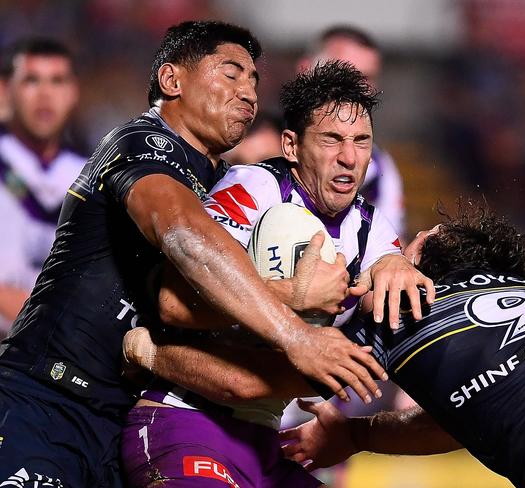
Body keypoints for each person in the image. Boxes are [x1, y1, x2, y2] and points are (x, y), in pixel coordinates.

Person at [0, 21, 385, 487]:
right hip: (44, 401)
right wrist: (294, 329)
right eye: (230, 73)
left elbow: (189, 305)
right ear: (172, 80)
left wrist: (392, 262)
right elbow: (184, 234)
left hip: (116, 418)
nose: (248, 93)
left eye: (253, 81)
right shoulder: (143, 143)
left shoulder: (221, 182)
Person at [121, 60, 434, 488]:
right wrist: (290, 295)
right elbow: (172, 304)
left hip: (267, 443)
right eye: (331, 139)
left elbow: (392, 278)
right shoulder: (252, 189)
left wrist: (401, 268)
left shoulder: (371, 228)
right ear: (290, 146)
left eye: (362, 141)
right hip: (186, 422)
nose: (349, 157)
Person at [280, 207, 525, 488]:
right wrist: (357, 435)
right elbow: (460, 421)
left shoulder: (389, 313)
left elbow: (247, 386)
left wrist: (293, 300)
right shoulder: (519, 285)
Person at [0, 38, 84, 335]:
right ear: (6, 90)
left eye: (58, 81)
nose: (46, 95)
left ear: (74, 93)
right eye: (31, 80)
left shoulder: (94, 175)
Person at [298, 25, 405, 237]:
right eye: (347, 74)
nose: (360, 89)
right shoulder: (251, 141)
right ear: (305, 69)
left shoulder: (379, 169)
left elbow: (391, 245)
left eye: (368, 78)